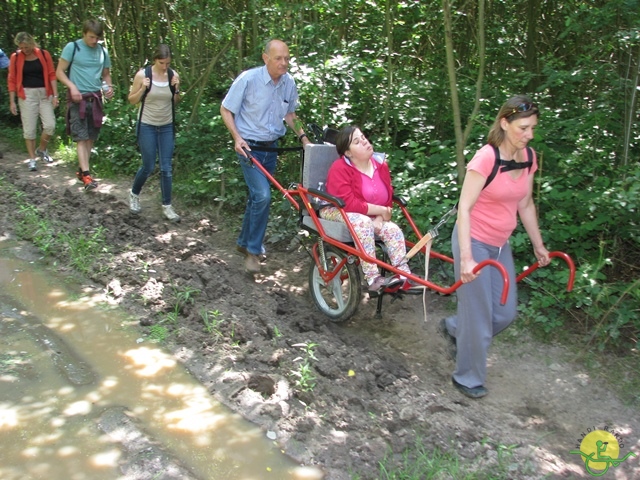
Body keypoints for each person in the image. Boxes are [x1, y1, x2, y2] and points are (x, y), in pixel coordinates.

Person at [440, 95, 550, 399]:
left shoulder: (529, 157)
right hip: (472, 241)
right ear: (505, 123)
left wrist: (538, 245)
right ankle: (467, 377)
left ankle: (454, 327)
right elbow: (464, 209)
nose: (529, 134)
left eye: (532, 129)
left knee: (504, 314)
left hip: (500, 246)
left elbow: (525, 202)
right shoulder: (486, 158)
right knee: (479, 319)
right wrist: (466, 259)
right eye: (523, 128)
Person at [220, 39, 310, 273]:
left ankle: (243, 242)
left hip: (271, 149)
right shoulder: (248, 79)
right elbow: (226, 109)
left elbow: (290, 114)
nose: (284, 63)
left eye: (287, 58)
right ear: (265, 58)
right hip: (248, 148)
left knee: (255, 198)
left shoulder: (288, 83)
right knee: (262, 196)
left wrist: (304, 138)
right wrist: (236, 138)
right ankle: (253, 250)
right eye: (278, 58)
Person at [321, 125, 415, 293]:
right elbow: (348, 203)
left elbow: (387, 200)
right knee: (363, 222)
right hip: (335, 209)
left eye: (363, 137)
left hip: (368, 214)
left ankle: (403, 277)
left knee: (393, 230)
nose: (364, 142)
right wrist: (381, 211)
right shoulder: (340, 168)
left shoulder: (381, 165)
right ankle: (373, 278)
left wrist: (380, 218)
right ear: (348, 153)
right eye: (357, 142)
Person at [56, 19, 114, 191]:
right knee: (81, 137)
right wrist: (72, 87)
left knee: (90, 137)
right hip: (77, 99)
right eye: (91, 37)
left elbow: (106, 75)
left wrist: (108, 87)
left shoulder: (102, 51)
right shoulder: (73, 47)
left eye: (97, 38)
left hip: (95, 98)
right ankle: (87, 176)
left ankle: (83, 171)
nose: (94, 41)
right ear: (84, 34)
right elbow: (59, 72)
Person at [127, 44, 181, 222]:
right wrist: (142, 89)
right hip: (147, 125)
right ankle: (134, 194)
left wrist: (176, 90)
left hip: (166, 126)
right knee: (148, 165)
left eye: (167, 63)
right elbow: (131, 100)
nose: (165, 66)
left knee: (166, 168)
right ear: (154, 60)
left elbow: (175, 102)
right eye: (161, 63)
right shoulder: (143, 75)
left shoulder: (173, 75)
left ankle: (167, 206)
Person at [7, 32, 59, 171]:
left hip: (44, 93)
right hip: (26, 95)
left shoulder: (43, 54)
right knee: (29, 130)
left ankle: (42, 149)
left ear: (32, 42)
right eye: (21, 47)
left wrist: (55, 95)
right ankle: (32, 159)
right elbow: (12, 79)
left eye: (27, 47)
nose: (25, 50)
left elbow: (51, 74)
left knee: (50, 125)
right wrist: (12, 101)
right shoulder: (15, 57)